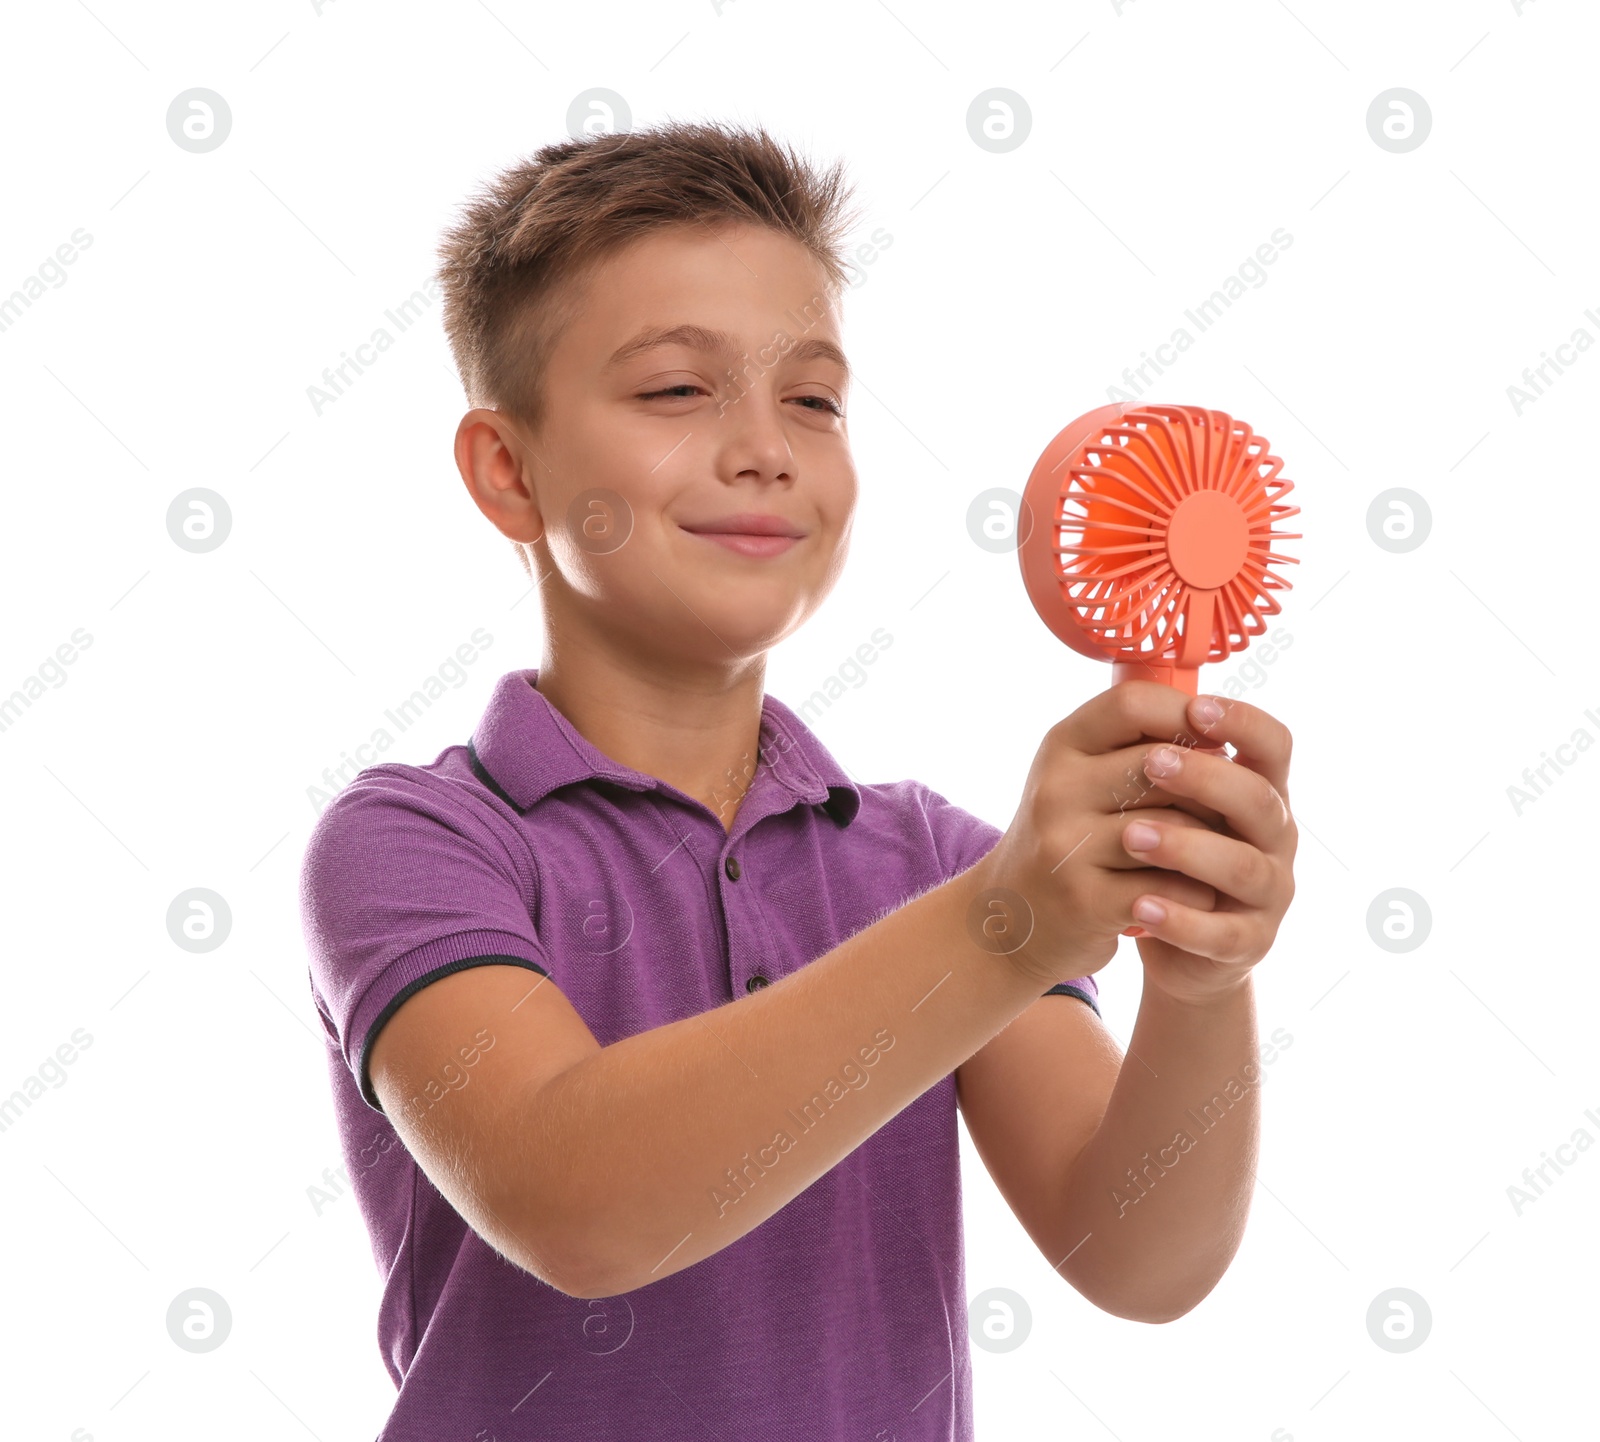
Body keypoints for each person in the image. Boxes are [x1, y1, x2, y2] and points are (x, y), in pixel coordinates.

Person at [298, 119, 1298, 1441]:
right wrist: (1002, 928)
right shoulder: (412, 842)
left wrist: (1201, 979)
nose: (765, 446)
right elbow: (579, 1200)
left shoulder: (926, 859)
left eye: (814, 398)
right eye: (675, 390)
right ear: (509, 470)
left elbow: (1144, 1256)